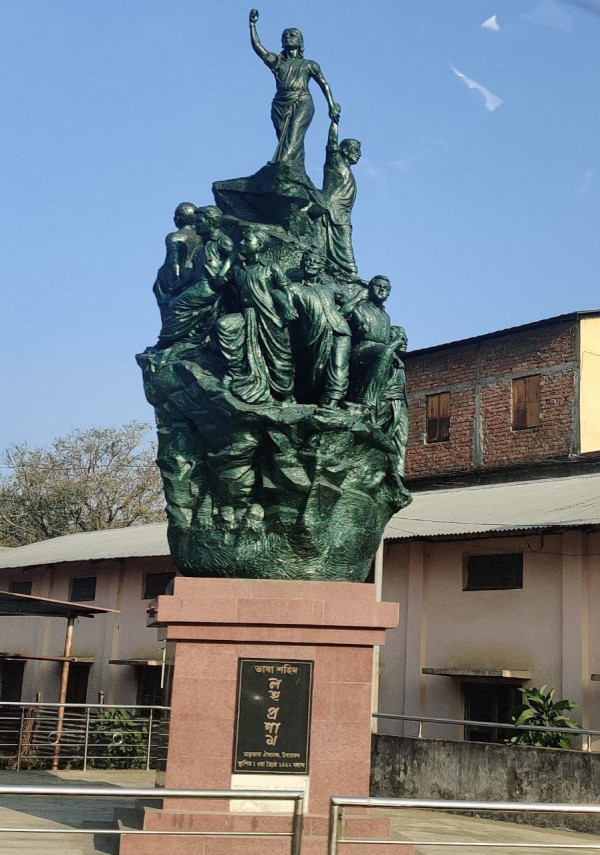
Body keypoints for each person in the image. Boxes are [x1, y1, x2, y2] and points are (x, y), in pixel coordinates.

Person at [249, 9, 340, 171]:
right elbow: (257, 47)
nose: (288, 37)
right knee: (285, 137)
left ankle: (281, 164)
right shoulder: (277, 61)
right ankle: (297, 169)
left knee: (294, 135)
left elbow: (323, 83)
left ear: (300, 42)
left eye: (292, 35)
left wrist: (331, 104)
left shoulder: (309, 64)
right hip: (280, 103)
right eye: (285, 35)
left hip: (302, 100)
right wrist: (252, 25)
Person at [216, 225, 296, 405]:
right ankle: (235, 373)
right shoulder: (238, 268)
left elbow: (286, 288)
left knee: (278, 357)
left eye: (247, 240)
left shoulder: (271, 267)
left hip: (268, 316)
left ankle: (285, 393)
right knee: (224, 325)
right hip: (246, 314)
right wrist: (229, 260)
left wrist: (288, 307)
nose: (241, 243)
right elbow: (219, 281)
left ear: (259, 245)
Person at [289, 249, 365, 407]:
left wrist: (358, 317)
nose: (312, 264)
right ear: (302, 264)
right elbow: (278, 294)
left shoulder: (330, 287)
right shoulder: (294, 288)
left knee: (338, 365)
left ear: (321, 268)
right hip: (313, 335)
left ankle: (333, 399)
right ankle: (308, 395)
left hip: (340, 330)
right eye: (309, 261)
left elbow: (346, 301)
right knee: (316, 369)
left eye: (316, 262)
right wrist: (285, 307)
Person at [349, 276, 409, 477]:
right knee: (386, 352)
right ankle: (368, 398)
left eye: (386, 288)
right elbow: (344, 315)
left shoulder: (386, 317)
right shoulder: (361, 307)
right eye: (379, 286)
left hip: (382, 356)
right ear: (371, 288)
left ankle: (396, 474)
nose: (383, 290)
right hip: (362, 351)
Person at [157, 206, 234, 348]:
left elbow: (233, 255)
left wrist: (222, 273)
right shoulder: (201, 247)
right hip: (198, 284)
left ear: (210, 222)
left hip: (208, 287)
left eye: (199, 222)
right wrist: (179, 284)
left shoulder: (222, 240)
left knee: (175, 305)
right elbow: (195, 272)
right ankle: (176, 339)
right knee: (176, 303)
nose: (195, 225)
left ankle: (172, 340)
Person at [320, 119, 361, 278]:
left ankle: (343, 274)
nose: (359, 154)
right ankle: (351, 275)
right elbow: (331, 143)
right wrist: (334, 122)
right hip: (332, 212)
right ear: (344, 150)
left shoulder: (348, 170)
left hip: (342, 216)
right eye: (355, 149)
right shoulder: (336, 162)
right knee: (346, 249)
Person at [152, 202, 201, 321]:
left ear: (178, 218)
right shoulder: (201, 235)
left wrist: (176, 281)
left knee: (170, 311)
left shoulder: (174, 236)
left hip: (177, 277)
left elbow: (173, 261)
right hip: (196, 274)